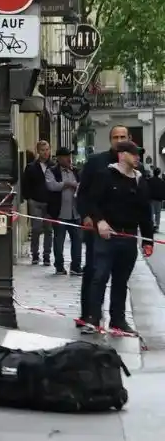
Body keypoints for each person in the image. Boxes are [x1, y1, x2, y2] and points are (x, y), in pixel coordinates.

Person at [81, 140, 156, 336]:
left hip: (129, 236)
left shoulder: (140, 180)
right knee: (100, 276)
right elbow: (91, 201)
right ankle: (93, 318)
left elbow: (145, 213)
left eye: (138, 154)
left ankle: (118, 320)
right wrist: (99, 221)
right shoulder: (105, 175)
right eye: (134, 154)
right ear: (122, 155)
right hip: (107, 236)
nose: (137, 157)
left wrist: (148, 241)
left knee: (121, 281)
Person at [76, 126, 131, 329]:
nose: (119, 140)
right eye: (115, 137)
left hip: (124, 231)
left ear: (129, 139)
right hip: (98, 229)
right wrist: (87, 216)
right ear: (110, 140)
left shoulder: (133, 165)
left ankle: (118, 319)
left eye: (122, 137)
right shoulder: (96, 162)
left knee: (120, 277)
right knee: (94, 272)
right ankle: (89, 315)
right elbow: (82, 194)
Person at [46, 147, 83, 276]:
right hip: (59, 212)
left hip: (75, 212)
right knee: (58, 241)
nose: (69, 159)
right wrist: (67, 184)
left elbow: (82, 186)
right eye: (66, 157)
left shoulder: (76, 171)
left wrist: (77, 186)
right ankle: (59, 266)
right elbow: (52, 186)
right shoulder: (52, 171)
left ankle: (76, 266)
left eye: (69, 156)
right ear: (59, 158)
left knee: (77, 240)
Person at [22, 140, 55, 266]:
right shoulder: (31, 167)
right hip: (35, 201)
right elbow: (25, 185)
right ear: (38, 151)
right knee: (36, 229)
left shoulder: (53, 166)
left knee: (48, 229)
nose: (45, 152)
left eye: (47, 149)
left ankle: (46, 255)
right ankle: (35, 254)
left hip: (49, 203)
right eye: (43, 150)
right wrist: (28, 198)